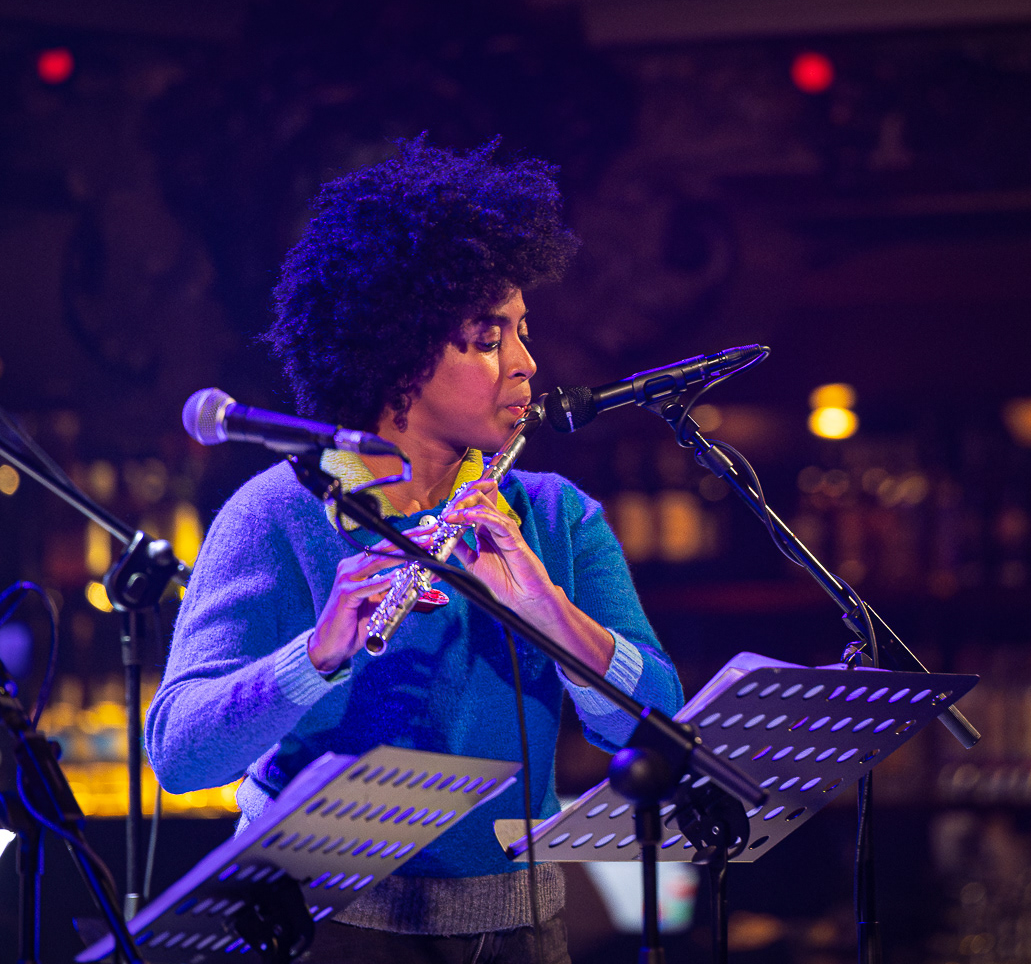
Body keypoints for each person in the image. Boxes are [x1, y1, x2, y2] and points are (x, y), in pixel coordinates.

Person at [145, 136, 684, 963]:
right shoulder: (277, 515)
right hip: (330, 927)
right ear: (400, 353)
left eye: (522, 332)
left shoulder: (554, 516)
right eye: (489, 338)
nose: (527, 363)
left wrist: (548, 612)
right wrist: (314, 658)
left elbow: (654, 727)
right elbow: (181, 756)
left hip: (522, 929)